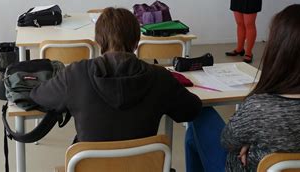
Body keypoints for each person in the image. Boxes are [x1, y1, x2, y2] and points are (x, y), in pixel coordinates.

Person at [185, 4, 300, 172]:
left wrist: (249, 140)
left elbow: (228, 141)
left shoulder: (261, 109)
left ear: (282, 52)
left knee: (200, 113)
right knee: (193, 137)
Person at [30, 7, 202, 142]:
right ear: (136, 42)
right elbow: (191, 110)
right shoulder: (160, 77)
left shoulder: (76, 74)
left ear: (99, 41)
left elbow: (38, 96)